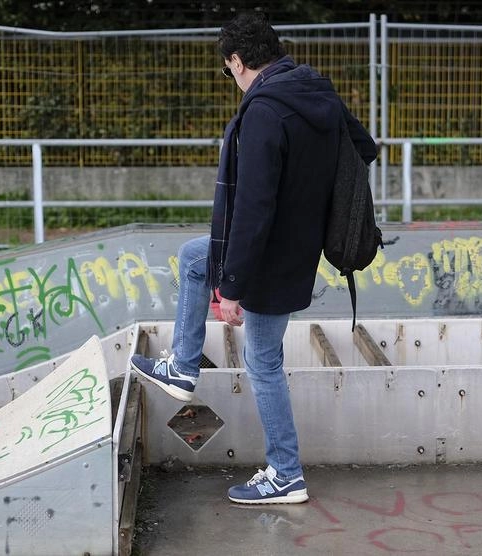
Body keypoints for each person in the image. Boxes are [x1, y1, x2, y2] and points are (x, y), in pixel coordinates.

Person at [130, 12, 377, 505]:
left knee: (263, 362)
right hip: (295, 244)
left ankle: (285, 474)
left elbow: (254, 205)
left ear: (238, 61)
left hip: (270, 252)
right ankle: (182, 365)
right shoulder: (316, 91)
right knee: (195, 257)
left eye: (229, 72)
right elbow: (364, 148)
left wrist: (234, 286)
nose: (233, 81)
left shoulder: (264, 111)